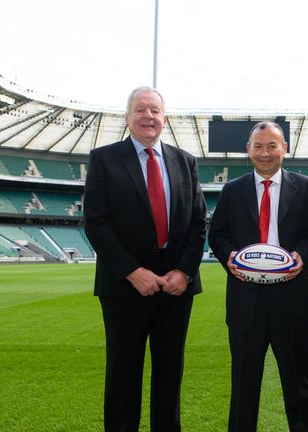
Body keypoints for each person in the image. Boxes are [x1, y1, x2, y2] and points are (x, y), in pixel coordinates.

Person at [83, 86, 207, 432]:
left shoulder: (186, 162)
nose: (148, 116)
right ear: (128, 118)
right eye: (140, 110)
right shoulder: (104, 159)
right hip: (125, 290)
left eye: (154, 110)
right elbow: (96, 222)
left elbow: (198, 222)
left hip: (175, 290)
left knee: (170, 379)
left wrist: (184, 271)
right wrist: (132, 272)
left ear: (164, 119)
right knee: (123, 379)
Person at [208, 121, 308, 432]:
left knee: (298, 387)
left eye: (272, 145)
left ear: (284, 149)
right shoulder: (232, 191)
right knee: (243, 390)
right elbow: (217, 235)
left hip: (292, 300)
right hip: (245, 301)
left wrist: (302, 255)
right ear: (248, 150)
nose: (265, 153)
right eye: (258, 146)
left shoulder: (306, 188)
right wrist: (230, 256)